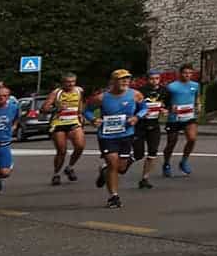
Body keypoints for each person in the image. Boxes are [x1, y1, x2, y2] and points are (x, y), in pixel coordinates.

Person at [93, 70, 144, 209]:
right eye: (121, 79)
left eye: (127, 79)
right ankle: (113, 197)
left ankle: (104, 172)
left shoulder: (135, 94)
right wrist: (93, 119)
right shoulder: (102, 97)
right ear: (113, 81)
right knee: (113, 164)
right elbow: (87, 110)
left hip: (126, 135)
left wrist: (137, 117)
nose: (125, 82)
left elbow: (144, 108)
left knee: (121, 168)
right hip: (107, 136)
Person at [43, 73, 87, 185]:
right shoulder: (56, 92)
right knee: (61, 151)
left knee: (80, 146)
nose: (71, 84)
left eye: (73, 82)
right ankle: (56, 174)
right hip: (59, 123)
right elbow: (44, 108)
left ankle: (70, 167)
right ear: (63, 83)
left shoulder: (79, 91)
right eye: (68, 82)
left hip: (74, 121)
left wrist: (80, 114)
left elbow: (81, 103)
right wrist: (55, 108)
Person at [159, 65, 201, 177]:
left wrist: (198, 105)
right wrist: (169, 108)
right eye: (185, 73)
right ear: (180, 73)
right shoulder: (171, 87)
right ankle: (166, 163)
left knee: (192, 139)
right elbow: (164, 102)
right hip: (174, 118)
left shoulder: (195, 85)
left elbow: (197, 97)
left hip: (189, 117)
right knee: (171, 143)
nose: (187, 75)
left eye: (190, 73)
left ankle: (184, 161)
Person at [132, 81, 165, 190]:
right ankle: (111, 168)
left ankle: (145, 179)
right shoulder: (140, 92)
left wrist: (164, 110)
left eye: (157, 78)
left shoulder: (163, 91)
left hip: (154, 126)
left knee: (153, 152)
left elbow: (165, 105)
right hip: (140, 127)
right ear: (147, 79)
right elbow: (133, 106)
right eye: (152, 78)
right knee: (138, 154)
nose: (154, 80)